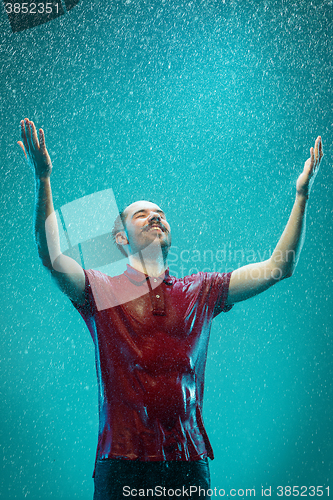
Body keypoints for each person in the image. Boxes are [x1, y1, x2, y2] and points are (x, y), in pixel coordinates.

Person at [18, 118, 324, 499]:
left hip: (187, 466)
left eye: (160, 212)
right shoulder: (102, 289)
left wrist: (302, 195)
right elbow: (51, 256)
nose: (156, 216)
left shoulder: (200, 289)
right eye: (141, 215)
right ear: (119, 238)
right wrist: (42, 179)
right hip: (122, 464)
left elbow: (280, 267)